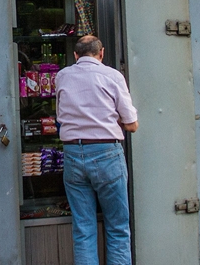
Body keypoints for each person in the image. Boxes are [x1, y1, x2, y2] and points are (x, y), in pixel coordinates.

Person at [56, 35, 138, 265]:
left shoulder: (62, 76)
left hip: (73, 153)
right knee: (118, 227)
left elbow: (60, 116)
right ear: (101, 53)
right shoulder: (112, 76)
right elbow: (132, 125)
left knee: (83, 229)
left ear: (76, 55)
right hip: (106, 153)